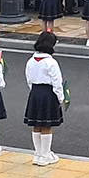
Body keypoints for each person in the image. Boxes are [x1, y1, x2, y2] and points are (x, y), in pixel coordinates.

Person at [23, 30, 66, 165]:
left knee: (36, 124)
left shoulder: (31, 60)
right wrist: (60, 98)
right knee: (47, 124)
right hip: (48, 93)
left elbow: (28, 79)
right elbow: (57, 82)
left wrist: (34, 91)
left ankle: (38, 153)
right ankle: (46, 155)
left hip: (35, 92)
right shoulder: (51, 62)